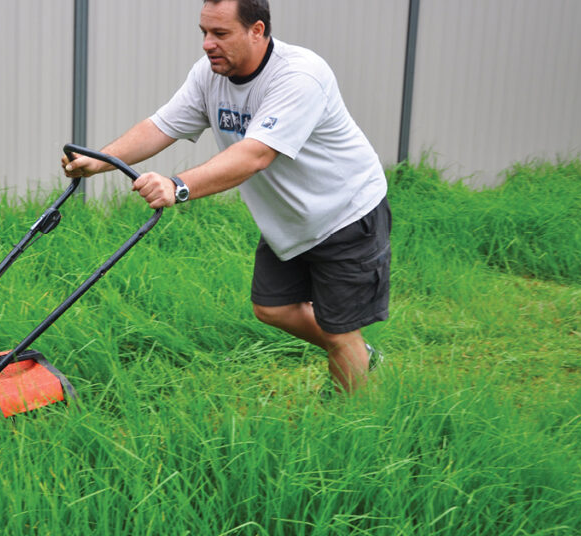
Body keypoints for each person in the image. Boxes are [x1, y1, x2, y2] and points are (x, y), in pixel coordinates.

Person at [62, 0, 390, 395]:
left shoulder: (300, 75)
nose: (207, 44)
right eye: (204, 32)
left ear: (257, 30)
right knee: (272, 308)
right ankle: (358, 352)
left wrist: (177, 186)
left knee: (340, 330)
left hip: (344, 213)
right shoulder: (209, 76)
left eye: (220, 34)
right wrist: (100, 162)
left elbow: (255, 156)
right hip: (289, 219)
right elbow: (161, 126)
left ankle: (350, 420)